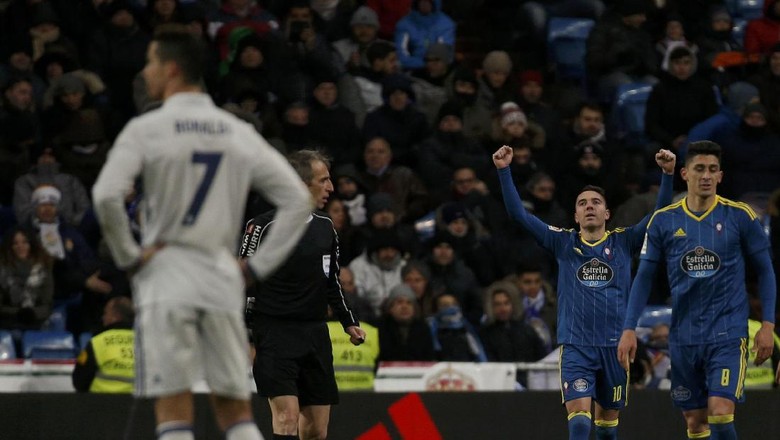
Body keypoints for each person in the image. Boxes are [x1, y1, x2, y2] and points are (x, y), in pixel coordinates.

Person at [92, 29, 313, 440]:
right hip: (220, 271)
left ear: (171, 68)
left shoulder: (148, 128)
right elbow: (298, 199)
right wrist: (257, 268)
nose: (146, 71)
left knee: (173, 405)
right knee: (235, 408)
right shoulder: (234, 130)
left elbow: (106, 196)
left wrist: (128, 257)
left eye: (152, 62)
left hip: (167, 269)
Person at [493, 144, 676, 440]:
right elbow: (519, 216)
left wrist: (667, 175)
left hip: (615, 348)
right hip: (577, 346)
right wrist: (504, 170)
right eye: (582, 203)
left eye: (595, 202)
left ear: (607, 212)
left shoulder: (624, 242)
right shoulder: (563, 243)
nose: (589, 206)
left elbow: (660, 217)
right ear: (576, 215)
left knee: (606, 430)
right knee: (579, 423)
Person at [618, 140, 777, 440]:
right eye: (699, 169)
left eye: (712, 170)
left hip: (727, 334)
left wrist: (767, 324)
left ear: (720, 176)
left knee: (720, 411)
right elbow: (644, 276)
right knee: (695, 422)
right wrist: (629, 328)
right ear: (684, 174)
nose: (706, 175)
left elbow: (766, 270)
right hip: (684, 336)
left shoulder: (740, 216)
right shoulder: (664, 221)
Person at [239, 150, 366, 440]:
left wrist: (348, 321)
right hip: (274, 332)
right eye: (323, 180)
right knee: (286, 418)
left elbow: (331, 279)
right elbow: (241, 283)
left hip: (314, 333)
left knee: (316, 430)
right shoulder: (262, 226)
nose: (331, 188)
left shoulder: (326, 227)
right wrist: (246, 334)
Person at [72, 296, 135, 393]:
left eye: (106, 313)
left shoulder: (98, 342)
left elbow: (79, 380)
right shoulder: (144, 343)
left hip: (101, 404)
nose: (103, 318)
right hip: (138, 404)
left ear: (115, 317)